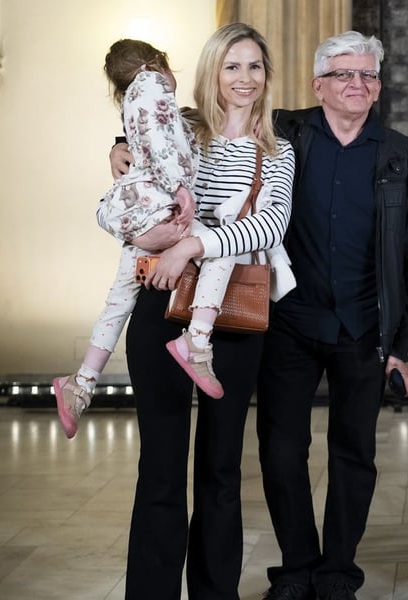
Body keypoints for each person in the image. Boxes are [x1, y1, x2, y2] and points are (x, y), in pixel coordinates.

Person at [110, 23, 296, 599]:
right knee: (160, 465)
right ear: (212, 71)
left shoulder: (277, 150)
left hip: (232, 316)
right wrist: (115, 153)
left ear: (267, 79)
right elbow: (130, 183)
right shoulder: (180, 130)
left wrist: (191, 244)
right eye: (232, 66)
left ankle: (216, 593)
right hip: (156, 303)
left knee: (220, 468)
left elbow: (268, 225)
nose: (244, 79)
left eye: (255, 68)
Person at [255, 31, 408, 600]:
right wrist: (121, 140)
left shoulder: (402, 156)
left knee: (354, 454)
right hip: (289, 322)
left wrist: (406, 346)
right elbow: (209, 124)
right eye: (344, 75)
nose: (358, 85)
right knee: (281, 450)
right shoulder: (281, 136)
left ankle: (337, 571)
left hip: (364, 330)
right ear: (318, 85)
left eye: (368, 76)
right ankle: (296, 566)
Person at [55, 39, 230, 440]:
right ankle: (197, 342)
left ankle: (81, 383)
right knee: (219, 248)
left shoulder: (136, 100)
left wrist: (119, 145)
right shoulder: (152, 84)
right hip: (164, 211)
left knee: (118, 300)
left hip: (143, 222)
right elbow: (158, 141)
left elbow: (147, 138)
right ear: (156, 62)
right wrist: (180, 189)